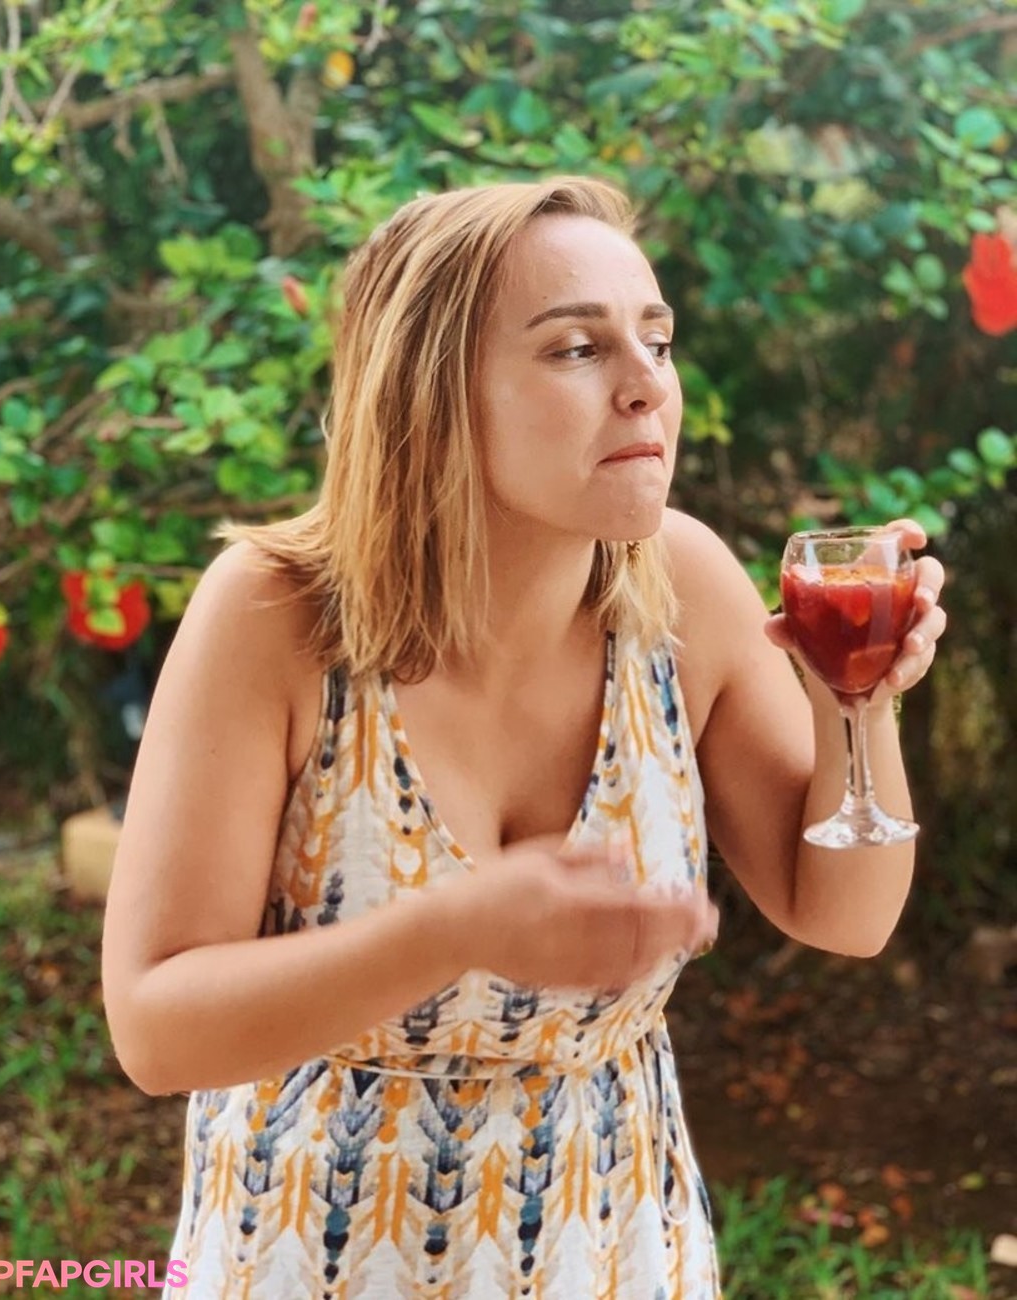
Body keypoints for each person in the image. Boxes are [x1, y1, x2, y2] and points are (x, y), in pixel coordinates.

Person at [100, 176, 947, 1299]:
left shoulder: (681, 586)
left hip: (616, 1254)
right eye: (576, 349)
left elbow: (845, 913)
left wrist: (860, 703)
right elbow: (156, 1029)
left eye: (656, 340)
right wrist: (454, 929)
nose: (647, 385)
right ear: (432, 393)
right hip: (313, 1260)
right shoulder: (274, 614)